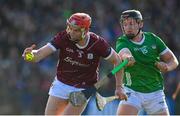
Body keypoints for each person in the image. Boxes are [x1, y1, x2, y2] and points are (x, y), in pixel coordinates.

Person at [22, 13, 127, 115]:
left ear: (85, 31)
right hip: (61, 83)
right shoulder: (63, 37)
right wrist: (29, 56)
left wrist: (119, 87)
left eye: (75, 30)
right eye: (70, 28)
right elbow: (38, 55)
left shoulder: (97, 43)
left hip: (83, 88)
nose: (71, 32)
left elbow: (117, 60)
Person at [116, 9, 179, 115]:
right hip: (132, 91)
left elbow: (174, 61)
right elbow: (123, 52)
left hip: (155, 92)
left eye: (131, 24)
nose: (128, 28)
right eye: (125, 24)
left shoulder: (153, 39)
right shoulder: (122, 41)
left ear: (140, 23)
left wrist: (167, 67)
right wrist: (128, 58)